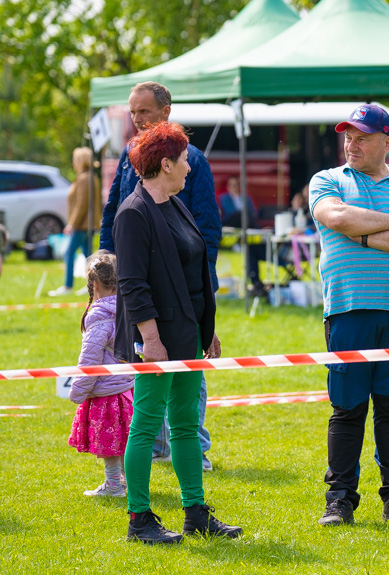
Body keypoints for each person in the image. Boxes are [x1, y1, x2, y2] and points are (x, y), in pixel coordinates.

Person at [309, 104, 389, 526]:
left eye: (362, 136)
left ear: (387, 141)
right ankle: (340, 499)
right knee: (347, 409)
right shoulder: (328, 180)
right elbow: (336, 216)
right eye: (348, 135)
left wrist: (361, 235)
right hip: (347, 309)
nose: (352, 143)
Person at [114, 121, 240, 544]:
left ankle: (195, 511)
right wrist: (150, 339)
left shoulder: (176, 202)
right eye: (185, 160)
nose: (191, 167)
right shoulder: (133, 212)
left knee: (186, 425)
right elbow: (132, 283)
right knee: (146, 426)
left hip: (187, 336)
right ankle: (139, 519)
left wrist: (209, 330)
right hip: (156, 340)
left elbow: (195, 271)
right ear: (165, 164)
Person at [100, 81, 219, 471]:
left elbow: (207, 230)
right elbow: (115, 207)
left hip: (184, 293)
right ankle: (152, 457)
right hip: (142, 289)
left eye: (144, 112)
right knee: (149, 396)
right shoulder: (130, 158)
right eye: (132, 112)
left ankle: (192, 450)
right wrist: (104, 262)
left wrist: (205, 305)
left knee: (187, 388)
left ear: (165, 112)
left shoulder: (193, 161)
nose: (136, 119)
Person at [67, 250, 134, 497]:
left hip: (106, 393)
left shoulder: (98, 315)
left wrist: (78, 391)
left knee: (110, 445)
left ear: (93, 284)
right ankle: (131, 483)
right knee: (125, 441)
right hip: (128, 389)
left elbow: (90, 360)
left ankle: (114, 486)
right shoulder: (128, 309)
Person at [49, 147, 102, 297]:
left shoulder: (85, 178)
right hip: (87, 224)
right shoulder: (88, 177)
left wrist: (71, 223)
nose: (74, 162)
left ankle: (67, 286)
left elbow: (82, 204)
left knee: (69, 252)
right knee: (88, 256)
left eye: (76, 159)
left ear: (81, 161)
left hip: (82, 224)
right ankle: (94, 285)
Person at [219, 175, 267, 296]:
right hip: (233, 222)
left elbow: (253, 213)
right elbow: (229, 213)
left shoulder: (246, 198)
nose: (234, 188)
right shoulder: (224, 198)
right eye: (232, 185)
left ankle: (255, 282)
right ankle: (258, 232)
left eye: (236, 185)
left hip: (247, 224)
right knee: (243, 213)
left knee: (246, 215)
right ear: (228, 187)